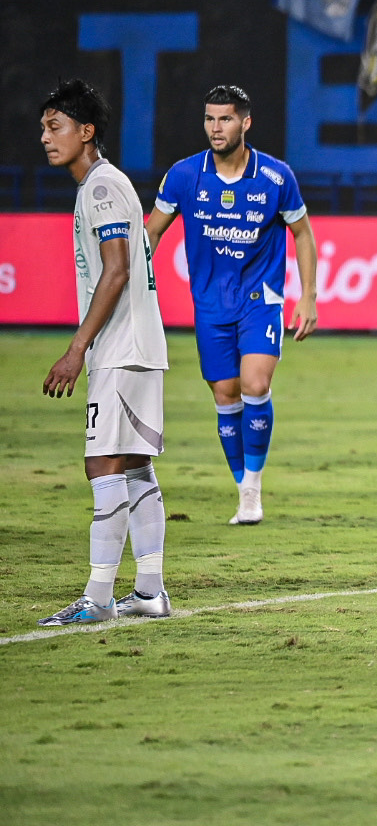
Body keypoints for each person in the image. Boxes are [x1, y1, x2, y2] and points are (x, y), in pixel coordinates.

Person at [145, 86, 318, 526]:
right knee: (225, 394)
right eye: (209, 119)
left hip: (261, 300)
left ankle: (253, 490)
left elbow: (302, 233)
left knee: (254, 384)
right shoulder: (185, 176)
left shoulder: (276, 177)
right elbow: (152, 232)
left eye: (224, 119)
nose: (215, 128)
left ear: (245, 123)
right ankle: (242, 488)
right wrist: (127, 276)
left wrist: (309, 296)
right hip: (209, 304)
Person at [37, 79, 172, 625]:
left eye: (55, 126)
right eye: (43, 127)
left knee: (103, 466)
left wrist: (76, 349)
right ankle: (148, 591)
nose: (44, 137)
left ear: (86, 131)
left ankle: (96, 600)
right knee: (135, 467)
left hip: (121, 348)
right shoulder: (105, 184)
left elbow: (115, 271)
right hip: (139, 345)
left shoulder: (100, 187)